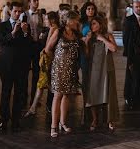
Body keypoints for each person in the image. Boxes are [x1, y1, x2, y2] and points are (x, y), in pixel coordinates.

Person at [46, 10, 83, 138]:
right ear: (68, 21)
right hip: (59, 69)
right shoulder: (59, 32)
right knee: (57, 96)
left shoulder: (76, 34)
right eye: (75, 20)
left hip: (72, 69)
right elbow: (48, 48)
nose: (77, 22)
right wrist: (56, 62)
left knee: (67, 95)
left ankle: (63, 122)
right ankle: (53, 126)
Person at [0, 2, 32, 131]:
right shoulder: (2, 26)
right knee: (6, 92)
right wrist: (13, 32)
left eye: (20, 12)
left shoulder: (25, 26)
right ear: (10, 12)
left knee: (19, 93)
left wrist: (24, 33)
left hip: (20, 65)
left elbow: (29, 44)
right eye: (15, 11)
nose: (17, 14)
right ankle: (4, 120)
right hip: (6, 64)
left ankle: (16, 120)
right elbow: (1, 41)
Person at [84, 15, 119, 131]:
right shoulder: (90, 36)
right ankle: (94, 119)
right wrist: (87, 41)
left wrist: (103, 39)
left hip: (106, 68)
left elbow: (114, 49)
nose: (92, 26)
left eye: (95, 23)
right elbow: (86, 55)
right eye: (91, 24)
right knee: (93, 94)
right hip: (94, 69)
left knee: (108, 94)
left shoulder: (108, 35)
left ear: (100, 24)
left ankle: (110, 120)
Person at [24, 11, 60, 117]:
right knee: (44, 84)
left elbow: (47, 46)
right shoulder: (53, 28)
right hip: (50, 59)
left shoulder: (53, 28)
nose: (44, 21)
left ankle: (35, 108)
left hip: (49, 60)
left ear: (52, 20)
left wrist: (43, 51)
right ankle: (34, 107)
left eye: (46, 19)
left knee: (43, 84)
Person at [122, 0, 140, 109]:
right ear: (133, 8)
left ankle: (138, 95)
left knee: (139, 75)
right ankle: (128, 96)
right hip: (132, 53)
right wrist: (128, 53)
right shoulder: (129, 20)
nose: (139, 8)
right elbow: (126, 38)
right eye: (137, 7)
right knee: (130, 75)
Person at [26, 0, 44, 105]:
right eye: (34, 1)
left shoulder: (41, 15)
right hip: (27, 47)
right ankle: (23, 99)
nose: (36, 2)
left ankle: (34, 99)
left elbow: (44, 28)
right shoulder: (24, 14)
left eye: (37, 0)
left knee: (36, 74)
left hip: (37, 46)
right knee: (24, 73)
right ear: (29, 3)